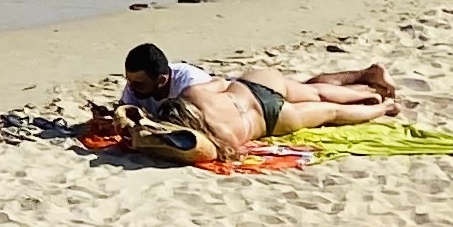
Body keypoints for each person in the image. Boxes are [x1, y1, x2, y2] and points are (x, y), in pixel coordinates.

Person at [103, 38, 402, 159]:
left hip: (271, 118)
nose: (132, 88)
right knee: (314, 91)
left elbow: (198, 149)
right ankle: (367, 88)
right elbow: (223, 83)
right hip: (251, 86)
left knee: (330, 112)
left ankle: (384, 106)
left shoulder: (219, 135)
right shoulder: (193, 94)